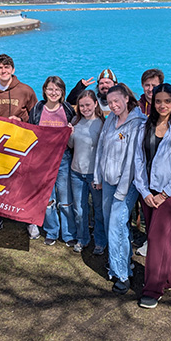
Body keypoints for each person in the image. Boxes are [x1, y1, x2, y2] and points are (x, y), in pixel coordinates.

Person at [133, 83, 171, 309]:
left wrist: (165, 193)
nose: (162, 105)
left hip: (170, 195)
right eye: (158, 101)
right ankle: (170, 279)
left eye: (167, 101)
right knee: (160, 239)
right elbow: (138, 160)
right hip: (148, 193)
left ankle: (153, 289)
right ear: (152, 102)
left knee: (156, 240)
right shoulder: (144, 127)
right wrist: (144, 191)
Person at [94, 84, 146, 295]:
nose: (114, 105)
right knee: (114, 225)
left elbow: (134, 161)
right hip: (107, 181)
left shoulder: (137, 124)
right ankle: (125, 263)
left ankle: (120, 275)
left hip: (126, 184)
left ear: (126, 98)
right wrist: (98, 176)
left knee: (116, 225)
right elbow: (101, 149)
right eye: (110, 102)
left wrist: (122, 190)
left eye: (117, 101)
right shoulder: (110, 120)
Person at [0, 53, 38, 236]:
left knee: (24, 183)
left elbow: (35, 117)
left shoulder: (25, 90)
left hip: (20, 143)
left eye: (6, 67)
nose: (3, 71)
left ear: (13, 70)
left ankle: (29, 220)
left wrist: (21, 119)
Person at [28, 76, 77, 246]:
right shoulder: (37, 109)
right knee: (48, 199)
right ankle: (52, 231)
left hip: (63, 158)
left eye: (57, 89)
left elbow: (75, 130)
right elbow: (30, 133)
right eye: (50, 89)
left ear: (62, 92)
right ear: (44, 90)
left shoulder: (67, 109)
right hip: (43, 160)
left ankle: (69, 233)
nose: (53, 92)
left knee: (65, 198)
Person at [68, 90, 106, 254]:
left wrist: (100, 177)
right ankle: (83, 238)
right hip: (76, 172)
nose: (85, 108)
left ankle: (100, 241)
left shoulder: (102, 124)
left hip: (94, 175)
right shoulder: (75, 121)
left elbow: (104, 151)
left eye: (88, 105)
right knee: (80, 209)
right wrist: (69, 134)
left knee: (98, 210)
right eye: (82, 105)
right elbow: (71, 146)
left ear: (95, 104)